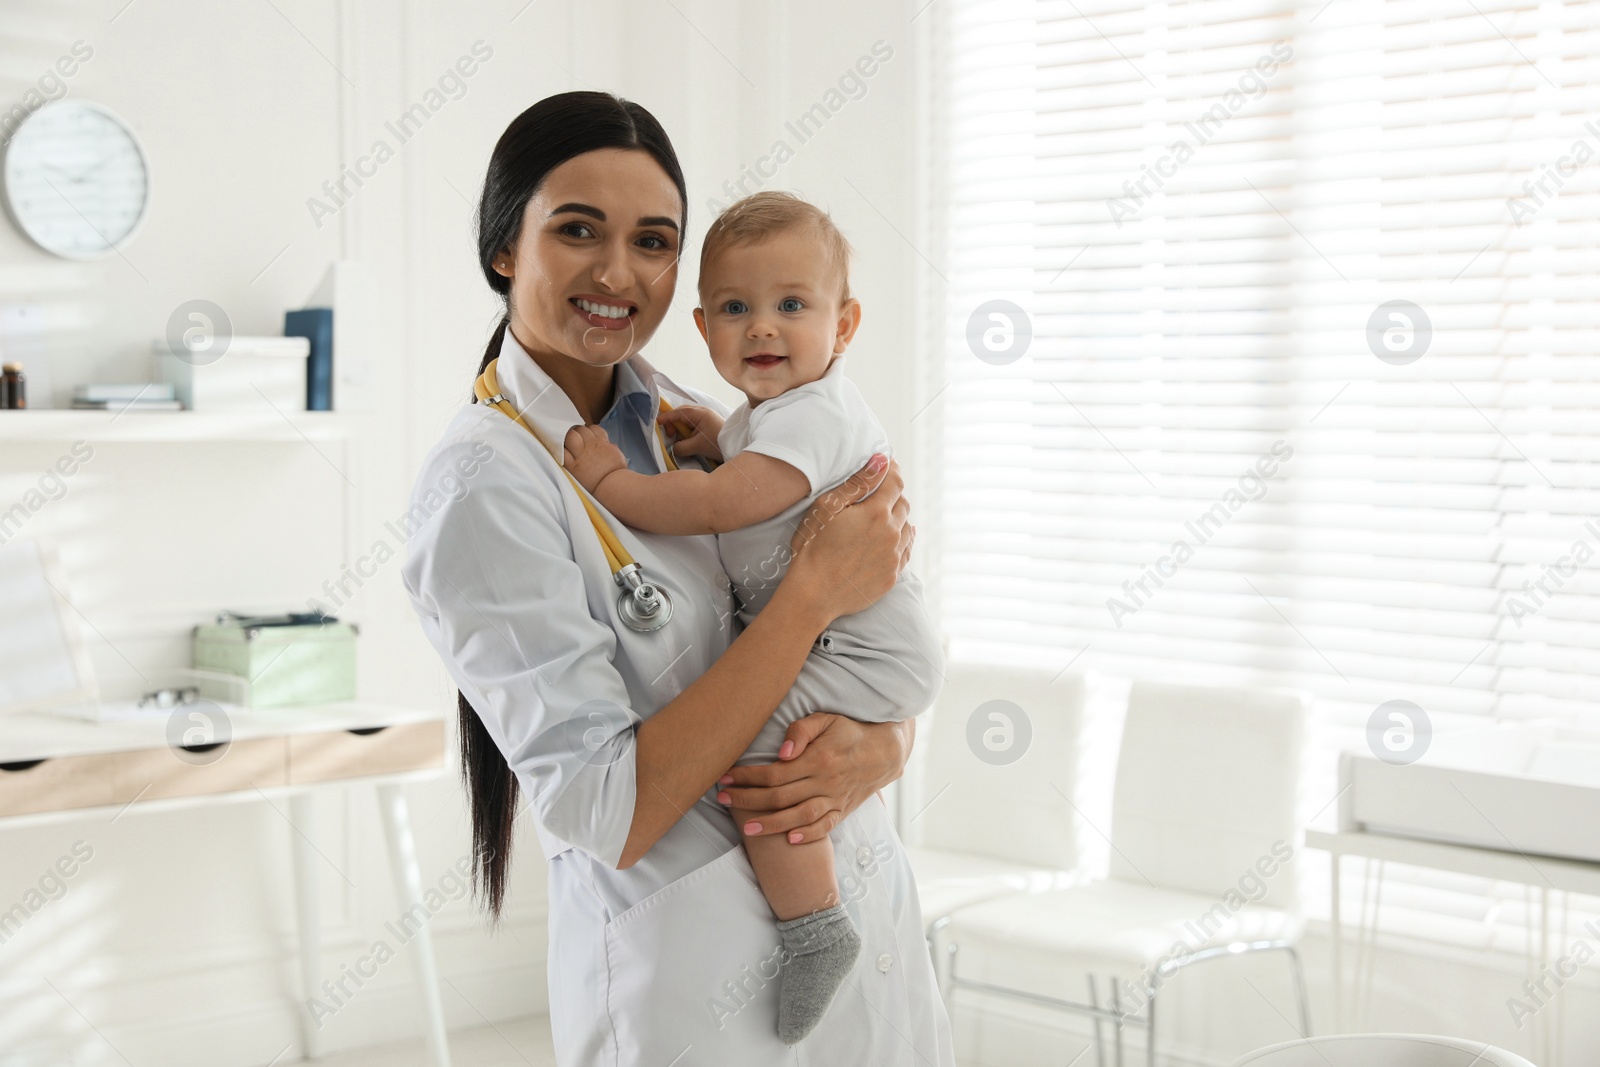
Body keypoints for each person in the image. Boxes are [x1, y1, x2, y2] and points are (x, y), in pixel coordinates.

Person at [400, 91, 954, 1065]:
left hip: (866, 929)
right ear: (503, 249)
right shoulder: (484, 486)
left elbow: (873, 624)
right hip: (699, 984)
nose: (619, 271)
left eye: (653, 240)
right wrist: (812, 595)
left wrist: (887, 744)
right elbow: (603, 806)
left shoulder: (703, 418)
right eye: (577, 230)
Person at [562, 190, 943, 1043]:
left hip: (863, 644)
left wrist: (613, 485)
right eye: (737, 308)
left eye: (791, 306)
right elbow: (744, 466)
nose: (762, 328)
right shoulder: (769, 416)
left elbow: (727, 504)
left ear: (844, 327)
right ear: (704, 328)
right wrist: (717, 435)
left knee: (762, 749)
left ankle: (814, 928)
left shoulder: (813, 413)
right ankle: (815, 915)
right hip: (858, 642)